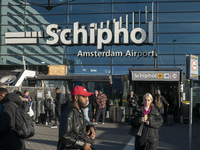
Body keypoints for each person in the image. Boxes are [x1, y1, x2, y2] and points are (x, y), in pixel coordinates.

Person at [57, 85, 96, 150]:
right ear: (76, 97)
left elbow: (82, 125)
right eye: (84, 97)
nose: (87, 100)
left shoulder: (79, 111)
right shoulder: (69, 113)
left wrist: (91, 127)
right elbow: (64, 136)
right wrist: (83, 145)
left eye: (87, 97)